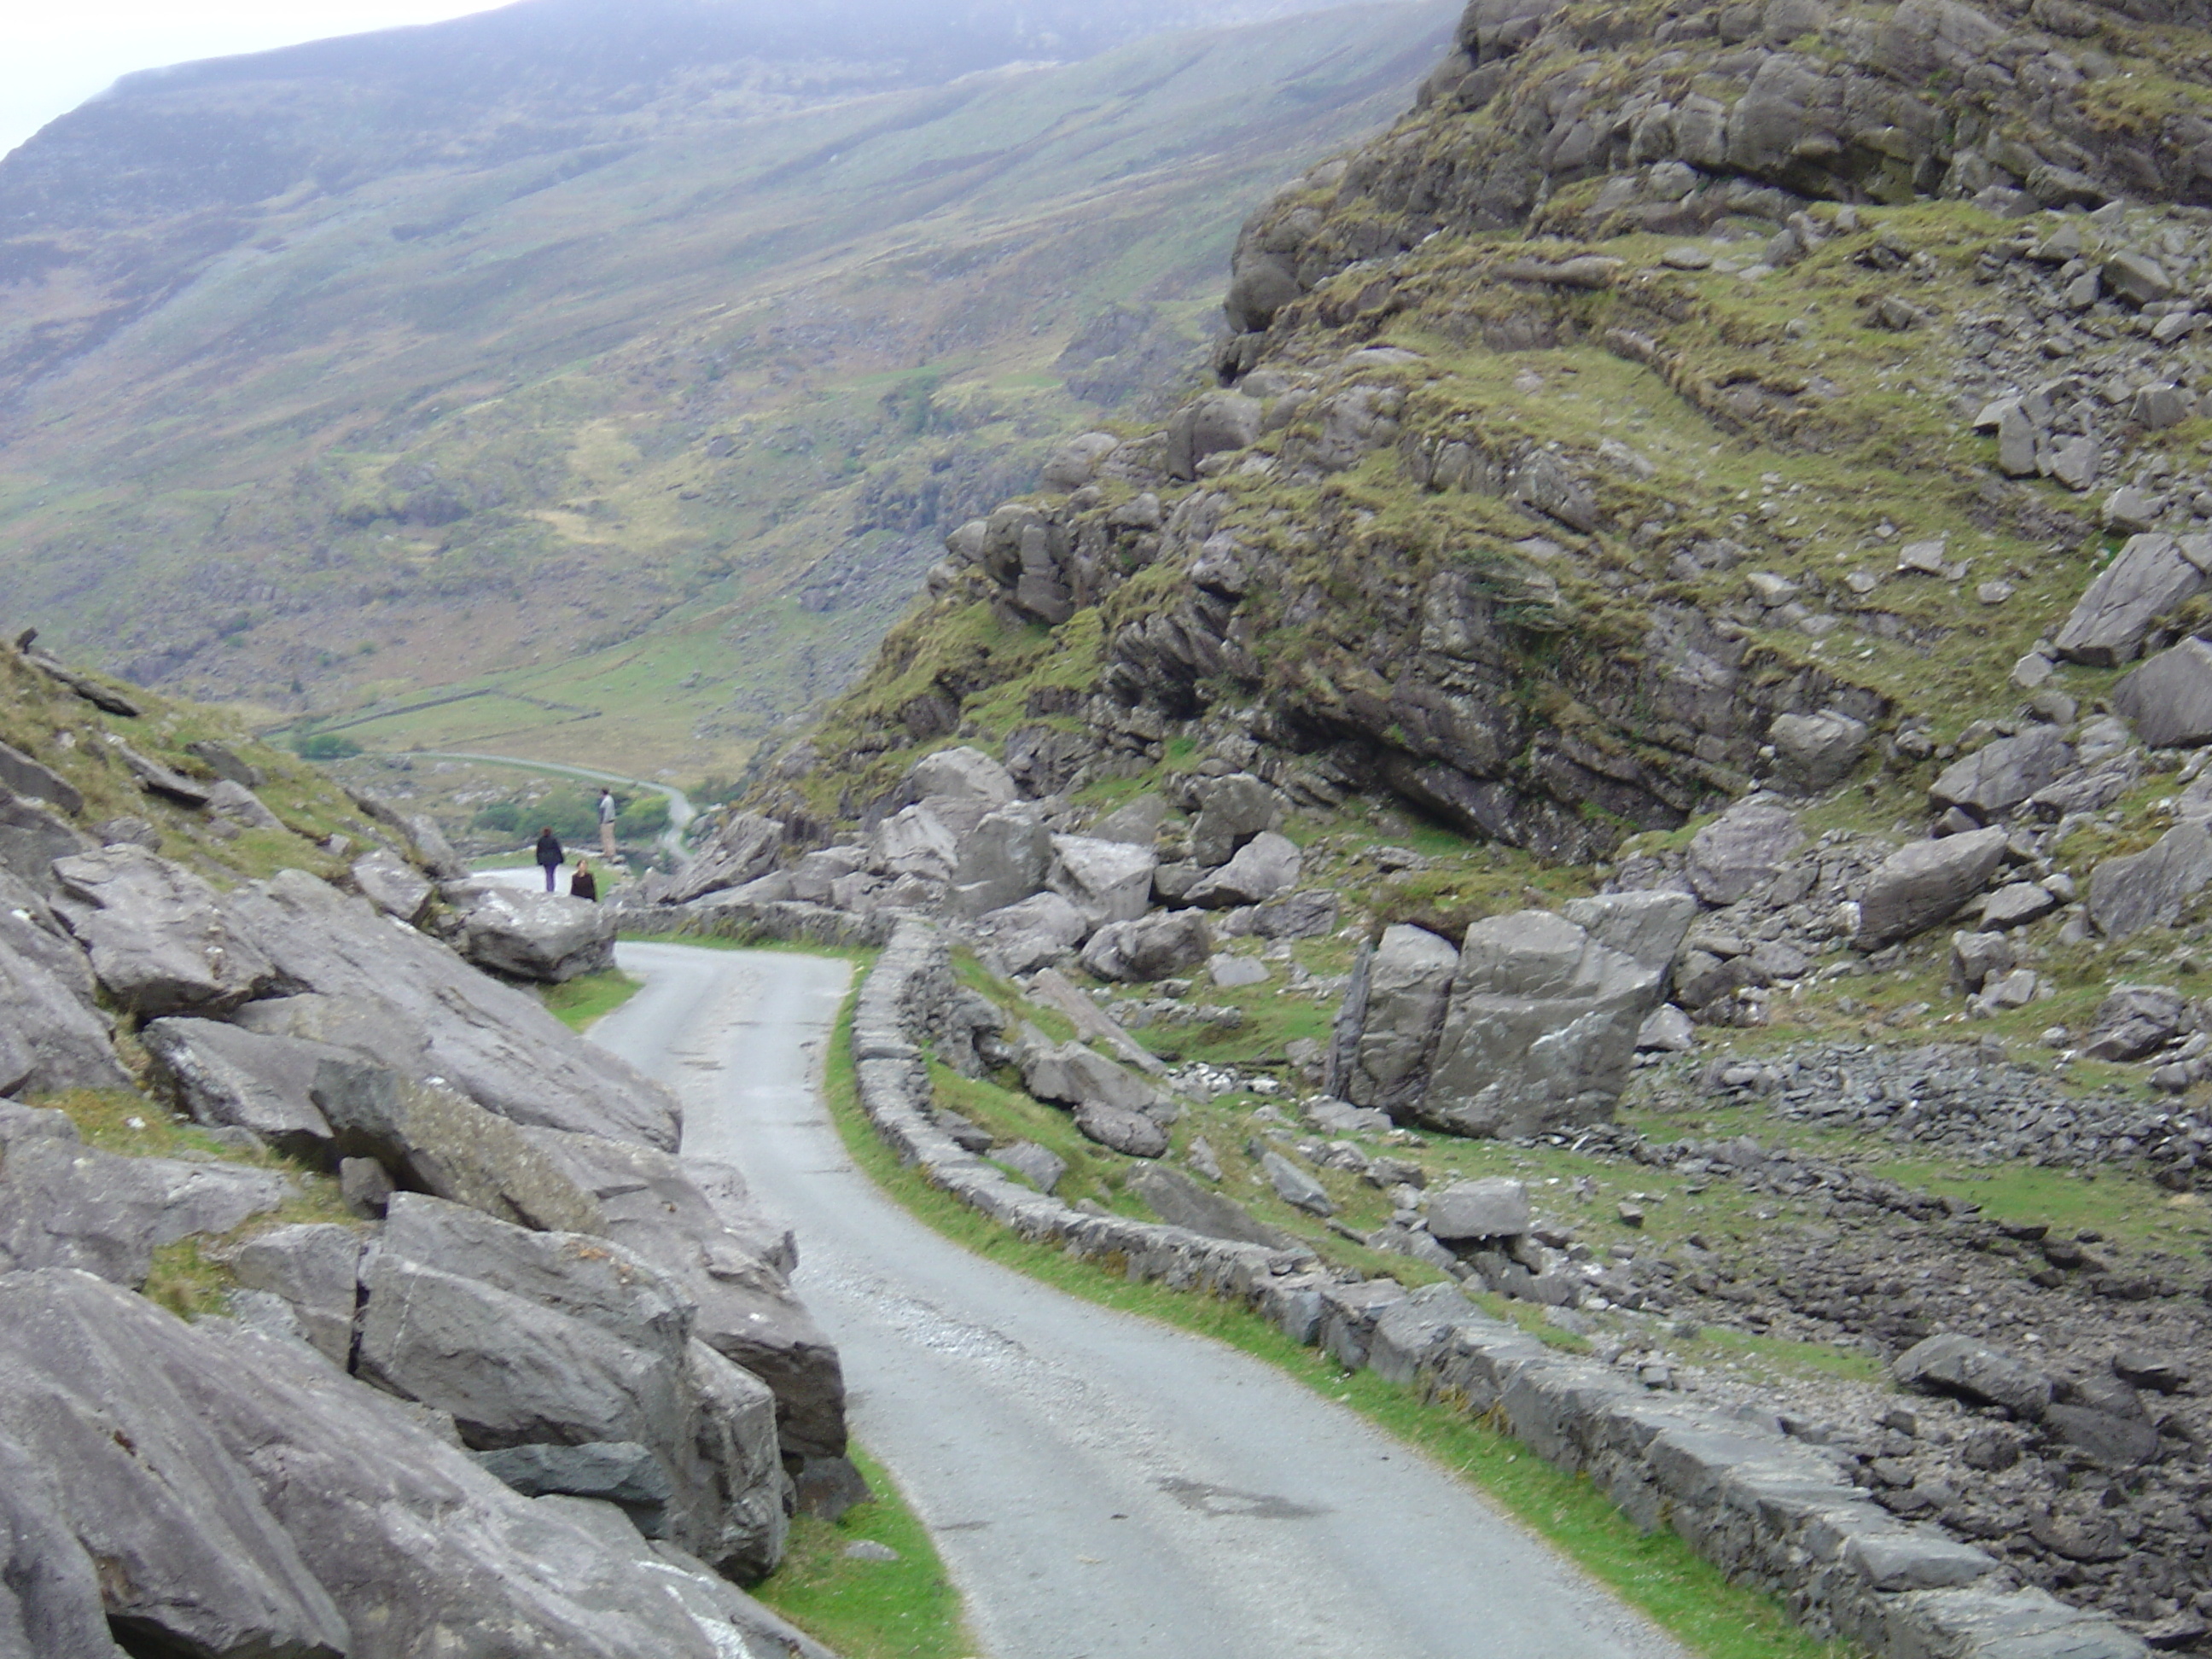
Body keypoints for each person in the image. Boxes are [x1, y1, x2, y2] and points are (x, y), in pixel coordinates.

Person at [534, 826, 563, 892]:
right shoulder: (554, 840)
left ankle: (549, 888)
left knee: (548, 873)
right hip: (553, 859)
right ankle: (551, 888)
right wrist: (561, 859)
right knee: (552, 873)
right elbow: (558, 850)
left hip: (545, 860)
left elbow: (538, 851)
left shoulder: (540, 840)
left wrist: (539, 860)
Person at [597, 788, 619, 859]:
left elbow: (607, 812)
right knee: (607, 837)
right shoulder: (609, 799)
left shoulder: (607, 801)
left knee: (608, 837)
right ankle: (607, 851)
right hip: (609, 821)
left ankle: (610, 852)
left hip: (607, 822)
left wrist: (604, 821)